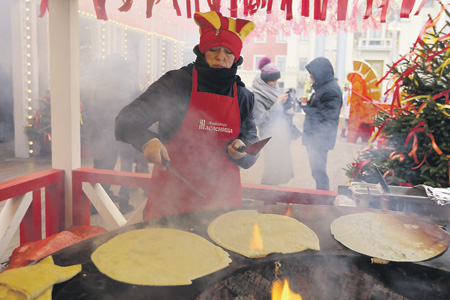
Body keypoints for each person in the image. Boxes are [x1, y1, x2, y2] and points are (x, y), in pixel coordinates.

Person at [115, 11, 258, 220]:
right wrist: (147, 141)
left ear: (236, 58)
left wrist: (244, 150)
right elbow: (125, 120)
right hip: (172, 201)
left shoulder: (243, 96)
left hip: (222, 202)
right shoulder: (176, 84)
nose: (221, 57)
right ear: (202, 51)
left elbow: (252, 141)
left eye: (228, 52)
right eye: (214, 49)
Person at [81, 54, 141, 214]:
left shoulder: (101, 84)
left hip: (107, 131)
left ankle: (98, 201)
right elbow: (139, 102)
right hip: (126, 130)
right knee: (125, 165)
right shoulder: (130, 82)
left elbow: (95, 110)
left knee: (104, 165)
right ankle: (123, 200)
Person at [251, 57, 299, 185]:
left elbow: (277, 112)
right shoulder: (257, 95)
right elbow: (261, 120)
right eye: (272, 80)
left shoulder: (273, 88)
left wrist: (286, 104)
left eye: (277, 80)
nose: (275, 83)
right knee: (271, 169)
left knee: (279, 168)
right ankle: (266, 196)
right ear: (265, 80)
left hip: (280, 134)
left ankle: (273, 195)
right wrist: (277, 104)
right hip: (269, 137)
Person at [302, 57, 342, 190]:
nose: (310, 75)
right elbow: (317, 109)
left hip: (320, 139)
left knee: (319, 172)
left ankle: (322, 201)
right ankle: (320, 199)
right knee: (316, 172)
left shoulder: (331, 91)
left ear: (321, 72)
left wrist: (309, 111)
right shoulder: (323, 87)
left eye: (312, 72)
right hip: (315, 137)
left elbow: (329, 116)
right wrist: (302, 106)